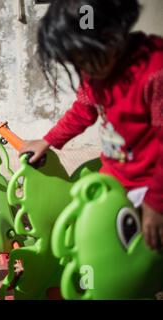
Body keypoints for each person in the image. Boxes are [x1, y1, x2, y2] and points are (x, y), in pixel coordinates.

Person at [20, 0, 163, 251]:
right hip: (113, 181)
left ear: (111, 34)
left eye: (86, 58)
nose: (84, 70)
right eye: (77, 63)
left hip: (150, 188)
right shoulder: (96, 74)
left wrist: (156, 202)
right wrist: (48, 140)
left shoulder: (155, 72)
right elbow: (83, 110)